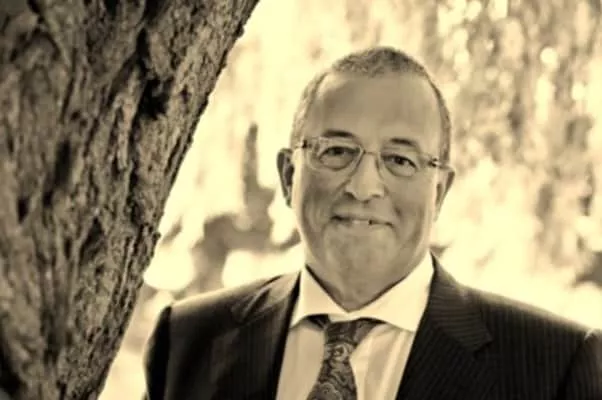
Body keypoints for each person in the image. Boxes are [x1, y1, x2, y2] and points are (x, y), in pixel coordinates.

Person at [142, 46, 602, 399]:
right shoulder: (187, 341)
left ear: (439, 191)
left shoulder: (554, 366)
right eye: (336, 151)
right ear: (288, 176)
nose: (363, 187)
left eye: (400, 159)